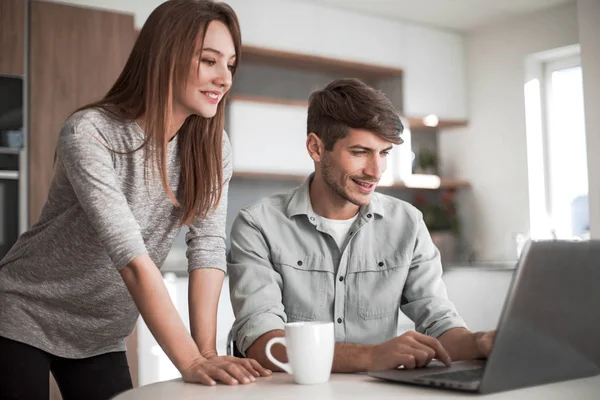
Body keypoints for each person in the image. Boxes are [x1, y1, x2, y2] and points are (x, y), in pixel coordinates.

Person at [0, 1, 270, 399]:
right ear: (166, 56)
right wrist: (191, 362)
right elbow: (131, 259)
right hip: (25, 314)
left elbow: (208, 246)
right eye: (209, 60)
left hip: (103, 331)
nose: (224, 78)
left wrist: (208, 352)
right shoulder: (90, 133)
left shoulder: (213, 147)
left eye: (230, 64)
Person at [228, 78, 495, 373]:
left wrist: (480, 342)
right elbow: (265, 344)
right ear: (316, 148)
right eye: (360, 152)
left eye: (383, 153)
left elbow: (441, 325)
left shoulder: (407, 224)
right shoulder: (258, 225)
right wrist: (371, 356)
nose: (375, 171)